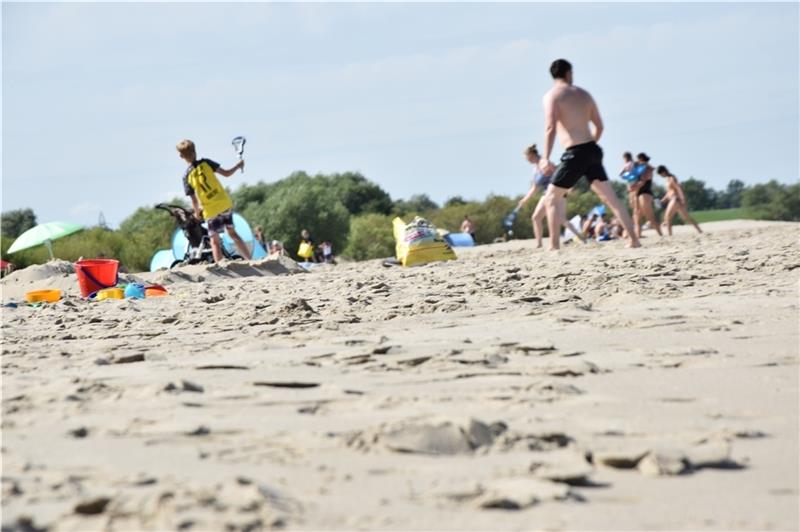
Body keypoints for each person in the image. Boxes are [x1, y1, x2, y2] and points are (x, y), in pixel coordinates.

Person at [538, 59, 640, 249]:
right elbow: (599, 126)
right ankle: (634, 239)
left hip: (574, 153)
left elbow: (550, 127)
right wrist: (590, 144)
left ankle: (553, 246)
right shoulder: (584, 95)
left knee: (552, 198)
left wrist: (545, 157)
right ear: (568, 73)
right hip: (593, 150)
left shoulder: (552, 96)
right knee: (611, 199)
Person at [177, 139, 252, 263]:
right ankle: (249, 259)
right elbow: (227, 173)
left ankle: (220, 266)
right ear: (195, 151)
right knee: (233, 233)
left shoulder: (186, 176)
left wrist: (196, 214)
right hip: (223, 203)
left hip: (210, 210)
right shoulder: (207, 162)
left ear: (181, 156)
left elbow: (194, 200)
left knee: (214, 241)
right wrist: (238, 165)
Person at [516, 144, 585, 248]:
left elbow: (559, 173)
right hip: (546, 194)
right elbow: (534, 188)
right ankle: (539, 243)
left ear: (531, 154)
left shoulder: (545, 163)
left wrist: (568, 188)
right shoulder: (535, 169)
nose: (526, 160)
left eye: (526, 157)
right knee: (537, 217)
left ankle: (581, 238)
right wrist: (524, 200)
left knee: (560, 219)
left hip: (557, 192)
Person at [657, 165, 703, 235]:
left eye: (660, 174)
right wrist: (663, 200)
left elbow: (678, 188)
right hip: (674, 200)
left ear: (663, 172)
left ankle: (670, 235)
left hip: (675, 199)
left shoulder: (672, 178)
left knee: (667, 216)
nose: (660, 176)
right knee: (686, 217)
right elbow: (669, 192)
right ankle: (700, 231)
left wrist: (682, 199)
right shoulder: (667, 179)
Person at [628, 153, 663, 238]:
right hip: (639, 193)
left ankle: (660, 235)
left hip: (645, 193)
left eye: (639, 160)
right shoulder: (641, 168)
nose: (637, 161)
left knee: (649, 216)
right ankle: (638, 235)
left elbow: (643, 182)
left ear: (641, 159)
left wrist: (634, 186)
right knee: (637, 216)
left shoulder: (647, 168)